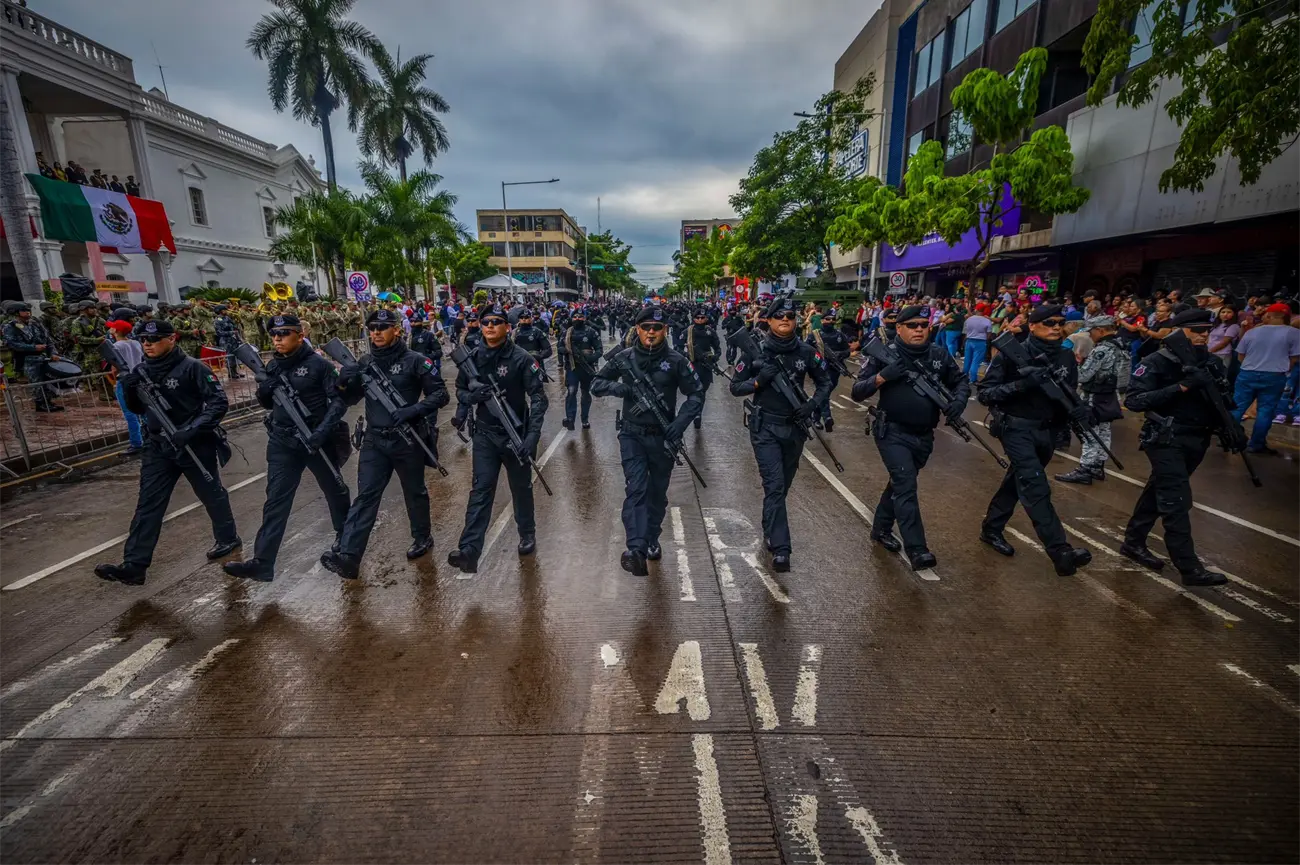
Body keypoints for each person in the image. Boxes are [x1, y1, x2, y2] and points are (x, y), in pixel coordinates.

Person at [94, 319, 241, 585]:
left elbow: (218, 402)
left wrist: (193, 429)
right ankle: (134, 564)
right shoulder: (140, 371)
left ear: (172, 339)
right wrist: (128, 388)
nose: (147, 344)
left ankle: (228, 538)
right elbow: (139, 409)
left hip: (194, 444)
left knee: (211, 493)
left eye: (154, 339)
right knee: (149, 504)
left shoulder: (193, 368)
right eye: (144, 340)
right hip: (158, 446)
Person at [320, 309, 449, 579]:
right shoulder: (365, 362)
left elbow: (440, 394)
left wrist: (413, 411)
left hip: (408, 437)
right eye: (372, 328)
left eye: (382, 327)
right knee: (366, 496)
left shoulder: (416, 361)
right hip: (375, 440)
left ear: (397, 330)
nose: (376, 332)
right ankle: (349, 556)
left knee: (414, 491)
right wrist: (343, 383)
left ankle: (422, 537)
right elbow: (351, 397)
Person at [1119, 309, 1243, 586]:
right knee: (1176, 499)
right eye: (1195, 330)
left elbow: (1221, 400)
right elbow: (1135, 401)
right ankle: (1188, 567)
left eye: (1206, 331)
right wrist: (1182, 387)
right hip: (1165, 437)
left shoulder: (1210, 362)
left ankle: (1133, 541)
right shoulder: (1157, 361)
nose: (1202, 335)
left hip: (1196, 438)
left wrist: (1232, 428)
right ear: (1179, 331)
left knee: (1159, 490)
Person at [224, 315, 352, 582]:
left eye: (284, 333)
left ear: (299, 335)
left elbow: (338, 403)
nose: (277, 339)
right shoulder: (272, 367)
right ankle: (262, 562)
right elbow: (269, 404)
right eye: (274, 334)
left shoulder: (319, 365)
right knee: (276, 501)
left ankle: (347, 541)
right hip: (283, 442)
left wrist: (320, 433)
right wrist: (265, 390)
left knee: (335, 490)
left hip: (316, 439)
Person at [976, 304, 1094, 576]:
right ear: (1033, 325)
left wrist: (1077, 411)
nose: (1056, 327)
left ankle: (991, 529)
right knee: (1034, 485)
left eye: (1059, 322)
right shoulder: (1011, 352)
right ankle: (1060, 551)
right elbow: (985, 393)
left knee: (1018, 481)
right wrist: (1021, 385)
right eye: (1049, 322)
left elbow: (1068, 394)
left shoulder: (1066, 356)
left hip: (1047, 432)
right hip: (1016, 429)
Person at [852, 305, 970, 570]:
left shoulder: (938, 354)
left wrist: (959, 402)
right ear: (900, 328)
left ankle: (881, 529)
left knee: (899, 484)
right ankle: (917, 549)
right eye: (913, 325)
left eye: (923, 325)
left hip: (923, 436)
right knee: (906, 485)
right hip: (891, 432)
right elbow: (858, 391)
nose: (919, 330)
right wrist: (883, 376)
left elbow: (961, 381)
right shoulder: (884, 354)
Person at [592, 306, 704, 576]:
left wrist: (679, 425)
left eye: (657, 327)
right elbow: (597, 384)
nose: (651, 332)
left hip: (664, 437)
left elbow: (696, 395)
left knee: (656, 495)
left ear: (665, 330)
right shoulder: (623, 358)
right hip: (632, 435)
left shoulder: (677, 361)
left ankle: (651, 538)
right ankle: (636, 549)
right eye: (646, 327)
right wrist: (621, 388)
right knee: (637, 489)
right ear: (637, 329)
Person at [728, 295, 832, 573]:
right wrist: (759, 380)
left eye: (790, 317)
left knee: (782, 486)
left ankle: (769, 524)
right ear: (769, 321)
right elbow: (735, 387)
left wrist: (812, 405)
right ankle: (782, 548)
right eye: (779, 317)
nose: (785, 320)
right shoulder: (754, 351)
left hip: (795, 427)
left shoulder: (807, 352)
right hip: (765, 428)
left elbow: (825, 382)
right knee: (773, 485)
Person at [446, 303, 549, 573]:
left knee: (521, 489)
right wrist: (472, 397)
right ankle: (469, 550)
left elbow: (538, 398)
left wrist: (533, 437)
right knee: (481, 490)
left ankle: (527, 533)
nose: (490, 326)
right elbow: (459, 390)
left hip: (516, 434)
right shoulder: (472, 358)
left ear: (507, 327)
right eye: (486, 322)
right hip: (485, 435)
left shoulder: (522, 358)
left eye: (496, 322)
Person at [1056, 315, 1128, 485]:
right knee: (1104, 431)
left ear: (1101, 330)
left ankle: (1085, 468)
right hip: (1111, 395)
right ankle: (1097, 466)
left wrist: (1076, 365)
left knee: (1088, 431)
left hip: (1094, 395)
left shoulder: (1101, 349)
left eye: (1092, 331)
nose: (1090, 335)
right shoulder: (1122, 346)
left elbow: (1084, 375)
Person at [1230, 302, 1300, 455]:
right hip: (1274, 376)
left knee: (1238, 407)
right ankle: (1256, 444)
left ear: (1268, 315)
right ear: (1287, 317)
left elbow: (1240, 356)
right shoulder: (1294, 333)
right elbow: (1294, 359)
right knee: (1265, 411)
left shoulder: (1252, 332)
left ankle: (1230, 439)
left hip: (1247, 373)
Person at [3, 301, 63, 412]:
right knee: (36, 381)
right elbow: (11, 343)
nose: (28, 313)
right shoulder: (10, 326)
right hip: (27, 358)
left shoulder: (36, 323)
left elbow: (48, 339)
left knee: (47, 379)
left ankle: (48, 401)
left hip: (44, 356)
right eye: (24, 311)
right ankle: (40, 403)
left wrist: (53, 353)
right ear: (16, 313)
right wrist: (33, 347)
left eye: (28, 310)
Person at [558, 305, 603, 430]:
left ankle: (585, 419)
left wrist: (590, 358)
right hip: (572, 367)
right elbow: (559, 347)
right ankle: (570, 418)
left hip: (586, 367)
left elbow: (599, 350)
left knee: (585, 393)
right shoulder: (566, 333)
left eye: (580, 316)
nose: (578, 318)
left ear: (584, 318)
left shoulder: (591, 332)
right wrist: (567, 351)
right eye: (575, 316)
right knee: (571, 392)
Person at [808, 311, 853, 431]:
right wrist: (818, 359)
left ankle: (814, 416)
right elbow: (807, 351)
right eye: (827, 319)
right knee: (825, 390)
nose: (830, 321)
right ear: (822, 320)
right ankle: (826, 417)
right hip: (820, 368)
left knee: (825, 392)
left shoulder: (839, 335)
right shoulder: (815, 335)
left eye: (833, 319)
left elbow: (848, 350)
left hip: (834, 369)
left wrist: (840, 354)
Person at [106, 320, 146, 452]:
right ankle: (150, 439)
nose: (110, 329)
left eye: (112, 328)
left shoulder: (116, 346)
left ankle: (136, 443)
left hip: (124, 381)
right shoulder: (135, 343)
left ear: (116, 331)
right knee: (144, 412)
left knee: (130, 414)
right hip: (138, 379)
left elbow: (114, 368)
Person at [684, 306, 722, 429]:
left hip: (706, 366)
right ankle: (693, 412)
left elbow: (717, 347)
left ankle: (698, 412)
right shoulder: (688, 331)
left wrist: (715, 357)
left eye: (702, 317)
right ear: (694, 318)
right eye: (697, 317)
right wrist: (686, 354)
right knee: (693, 390)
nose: (700, 320)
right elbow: (678, 348)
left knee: (702, 391)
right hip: (691, 365)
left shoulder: (710, 331)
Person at [512, 308, 553, 377]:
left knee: (535, 383)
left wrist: (539, 355)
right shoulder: (514, 333)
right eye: (521, 317)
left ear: (531, 319)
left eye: (526, 317)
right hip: (519, 364)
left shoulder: (537, 332)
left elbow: (548, 350)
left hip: (534, 363)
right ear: (519, 319)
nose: (524, 319)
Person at [962, 304, 993, 382]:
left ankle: (964, 377)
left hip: (969, 340)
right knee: (976, 361)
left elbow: (965, 332)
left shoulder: (969, 319)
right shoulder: (987, 321)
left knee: (967, 360)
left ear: (976, 309)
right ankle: (973, 379)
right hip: (981, 342)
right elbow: (989, 334)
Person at [213, 305, 244, 380]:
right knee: (229, 357)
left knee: (234, 356)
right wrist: (231, 332)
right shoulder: (217, 320)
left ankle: (235, 371)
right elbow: (219, 332)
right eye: (224, 310)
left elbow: (234, 326)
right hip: (225, 341)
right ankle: (231, 373)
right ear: (220, 311)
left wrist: (237, 334)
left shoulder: (227, 318)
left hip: (233, 340)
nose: (226, 311)